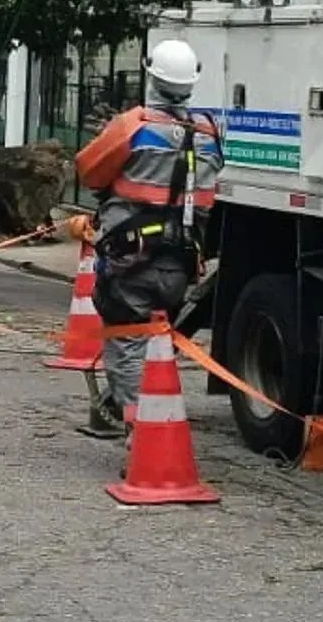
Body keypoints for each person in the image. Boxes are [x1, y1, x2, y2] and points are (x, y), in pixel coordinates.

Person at [73, 39, 224, 437]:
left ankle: (146, 440)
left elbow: (88, 171)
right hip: (180, 263)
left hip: (131, 260)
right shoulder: (208, 132)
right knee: (157, 348)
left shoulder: (133, 125)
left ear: (151, 75)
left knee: (126, 345)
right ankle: (139, 420)